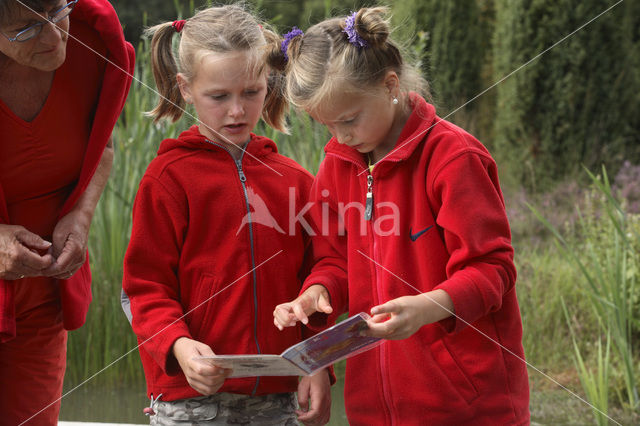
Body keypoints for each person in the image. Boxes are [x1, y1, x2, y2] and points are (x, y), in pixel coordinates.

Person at [271, 7, 530, 425]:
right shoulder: (337, 166)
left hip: (469, 407)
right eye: (328, 126)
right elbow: (335, 261)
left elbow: (492, 270)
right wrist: (317, 292)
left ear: (390, 85)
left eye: (349, 120)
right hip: (373, 408)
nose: (341, 137)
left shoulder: (453, 158)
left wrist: (428, 308)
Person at [122, 5, 331, 425]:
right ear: (184, 88)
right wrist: (178, 346)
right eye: (219, 97)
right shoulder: (167, 179)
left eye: (250, 93)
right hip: (191, 398)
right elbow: (143, 289)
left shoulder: (295, 180)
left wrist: (318, 361)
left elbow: (321, 272)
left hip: (279, 396)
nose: (237, 111)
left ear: (268, 84)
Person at [0, 0, 134, 424]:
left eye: (59, 11)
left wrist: (80, 215)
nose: (56, 37)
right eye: (26, 30)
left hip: (42, 291)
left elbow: (103, 143)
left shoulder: (95, 42)